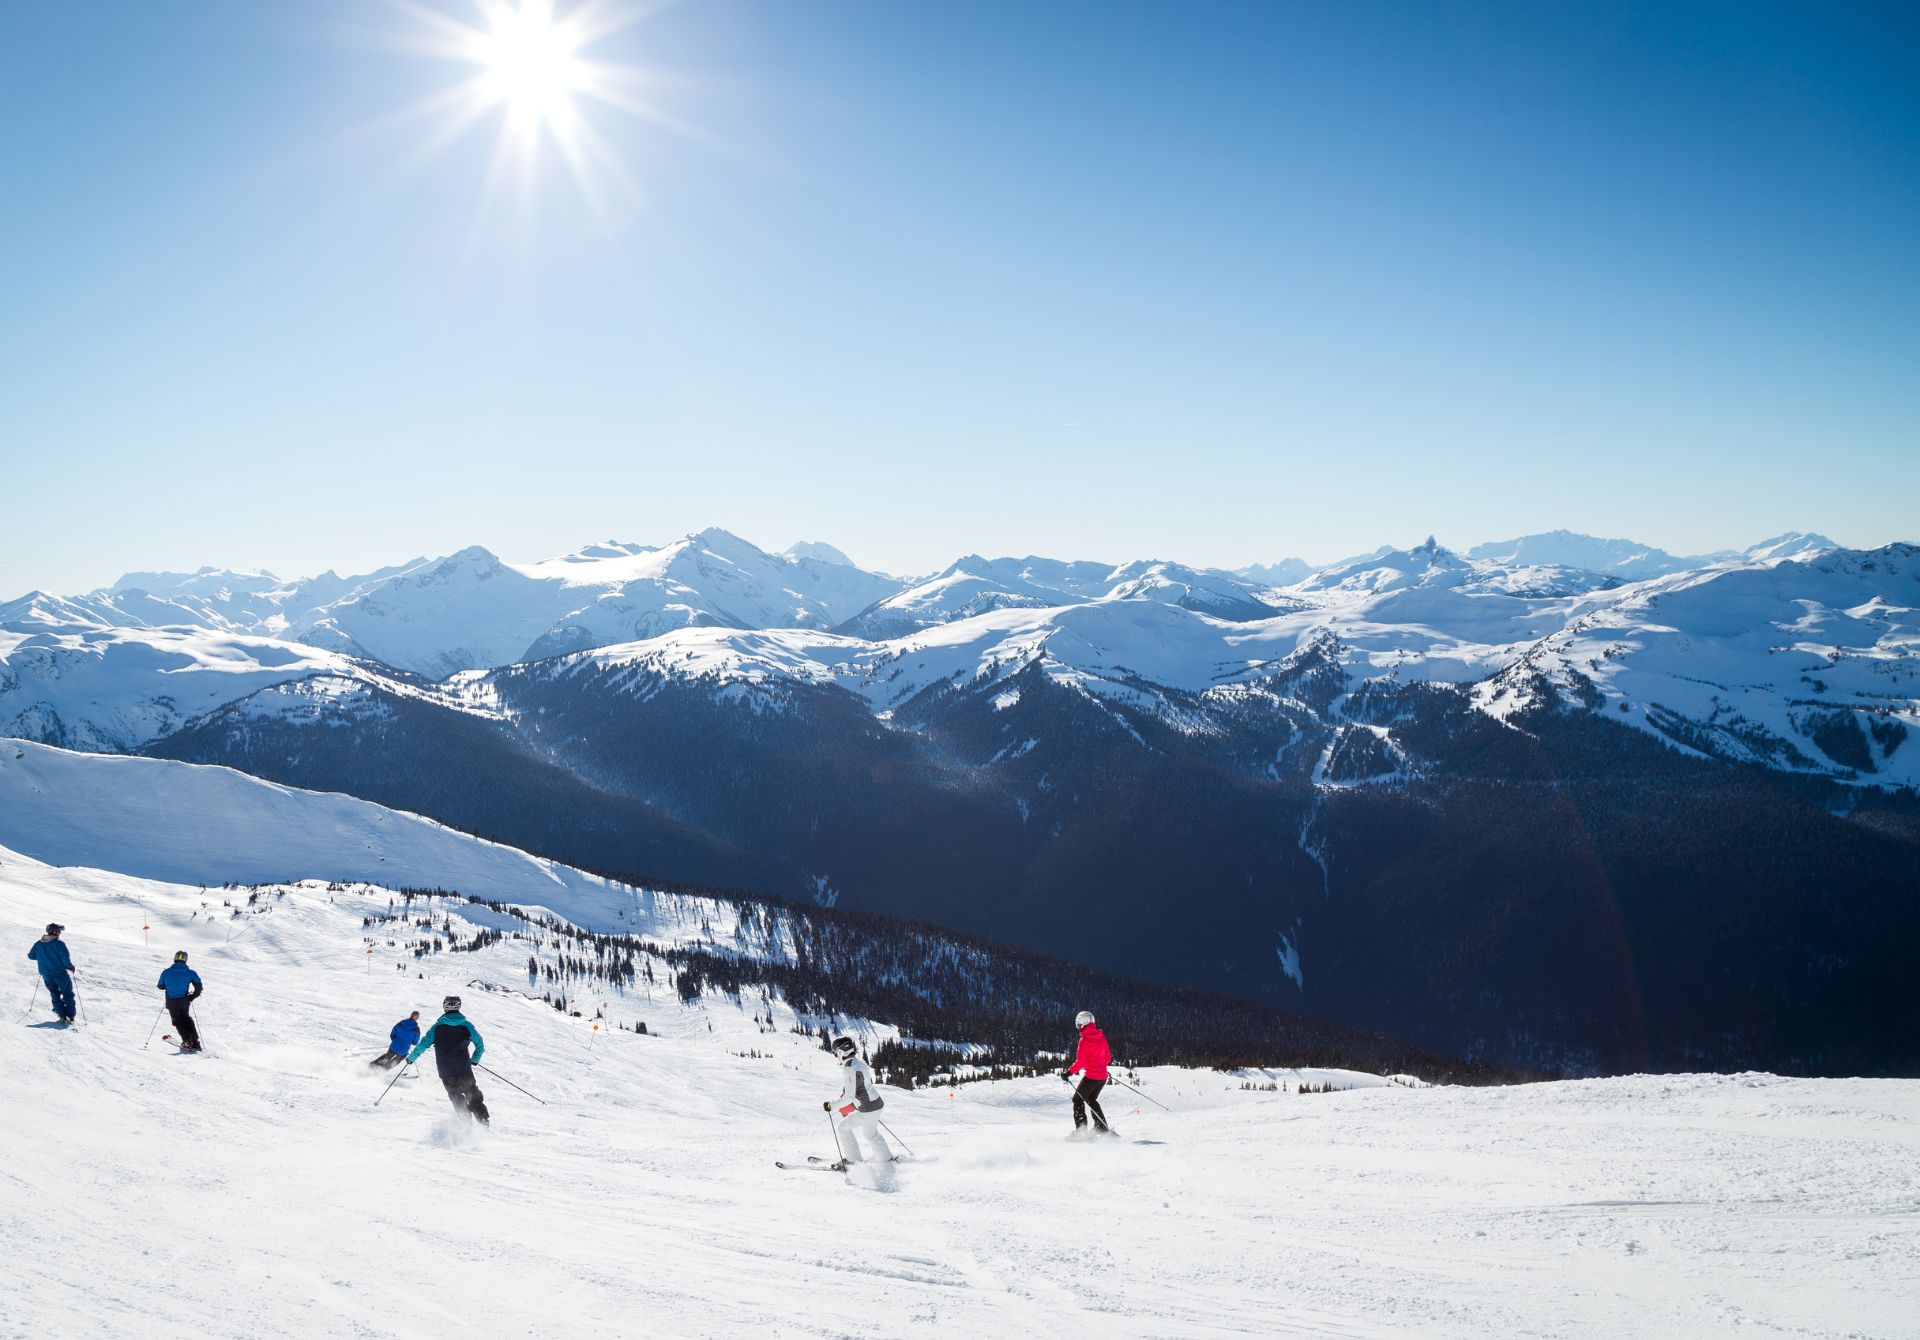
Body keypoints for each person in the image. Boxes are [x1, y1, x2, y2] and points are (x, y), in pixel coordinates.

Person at [406, 996, 490, 1125]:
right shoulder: (466, 1026)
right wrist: (474, 1059)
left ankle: (465, 1123)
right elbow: (480, 1044)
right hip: (464, 1068)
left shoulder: (437, 1027)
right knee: (471, 1091)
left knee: (455, 1094)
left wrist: (411, 1058)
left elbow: (423, 1044)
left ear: (445, 1007)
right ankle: (483, 1121)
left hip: (446, 1070)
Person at [823, 1035, 892, 1165]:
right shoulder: (859, 1062)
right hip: (876, 1104)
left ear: (840, 1051)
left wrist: (831, 1106)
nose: (836, 1057)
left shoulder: (849, 1069)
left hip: (868, 1109)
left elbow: (850, 1096)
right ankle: (886, 1159)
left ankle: (853, 1160)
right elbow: (861, 1087)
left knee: (843, 1128)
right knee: (870, 1133)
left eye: (835, 1053)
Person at [1063, 1009, 1113, 1137]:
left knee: (1077, 1100)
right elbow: (1107, 1057)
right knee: (1091, 1099)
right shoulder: (1101, 1037)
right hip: (1102, 1076)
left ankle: (1081, 1131)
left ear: (1084, 1024)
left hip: (1092, 1076)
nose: (1078, 1027)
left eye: (1079, 1025)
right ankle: (1101, 1127)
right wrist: (1099, 1065)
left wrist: (1069, 1072)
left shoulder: (1084, 1040)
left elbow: (1081, 1062)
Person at [27, 923, 77, 1024]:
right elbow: (65, 959)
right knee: (67, 993)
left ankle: (61, 1014)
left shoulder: (39, 943)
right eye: (59, 931)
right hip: (60, 974)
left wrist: (43, 957)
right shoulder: (59, 944)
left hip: (46, 975)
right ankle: (71, 1015)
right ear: (55, 932)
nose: (59, 933)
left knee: (54, 994)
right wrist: (70, 967)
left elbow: (31, 956)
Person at [157, 950, 204, 1051]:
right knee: (186, 1019)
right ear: (185, 960)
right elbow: (199, 987)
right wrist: (192, 997)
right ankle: (195, 1041)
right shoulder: (190, 973)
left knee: (178, 1021)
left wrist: (170, 985)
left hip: (172, 1001)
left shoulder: (166, 972)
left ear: (175, 959)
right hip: (184, 1001)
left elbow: (160, 986)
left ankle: (187, 1042)